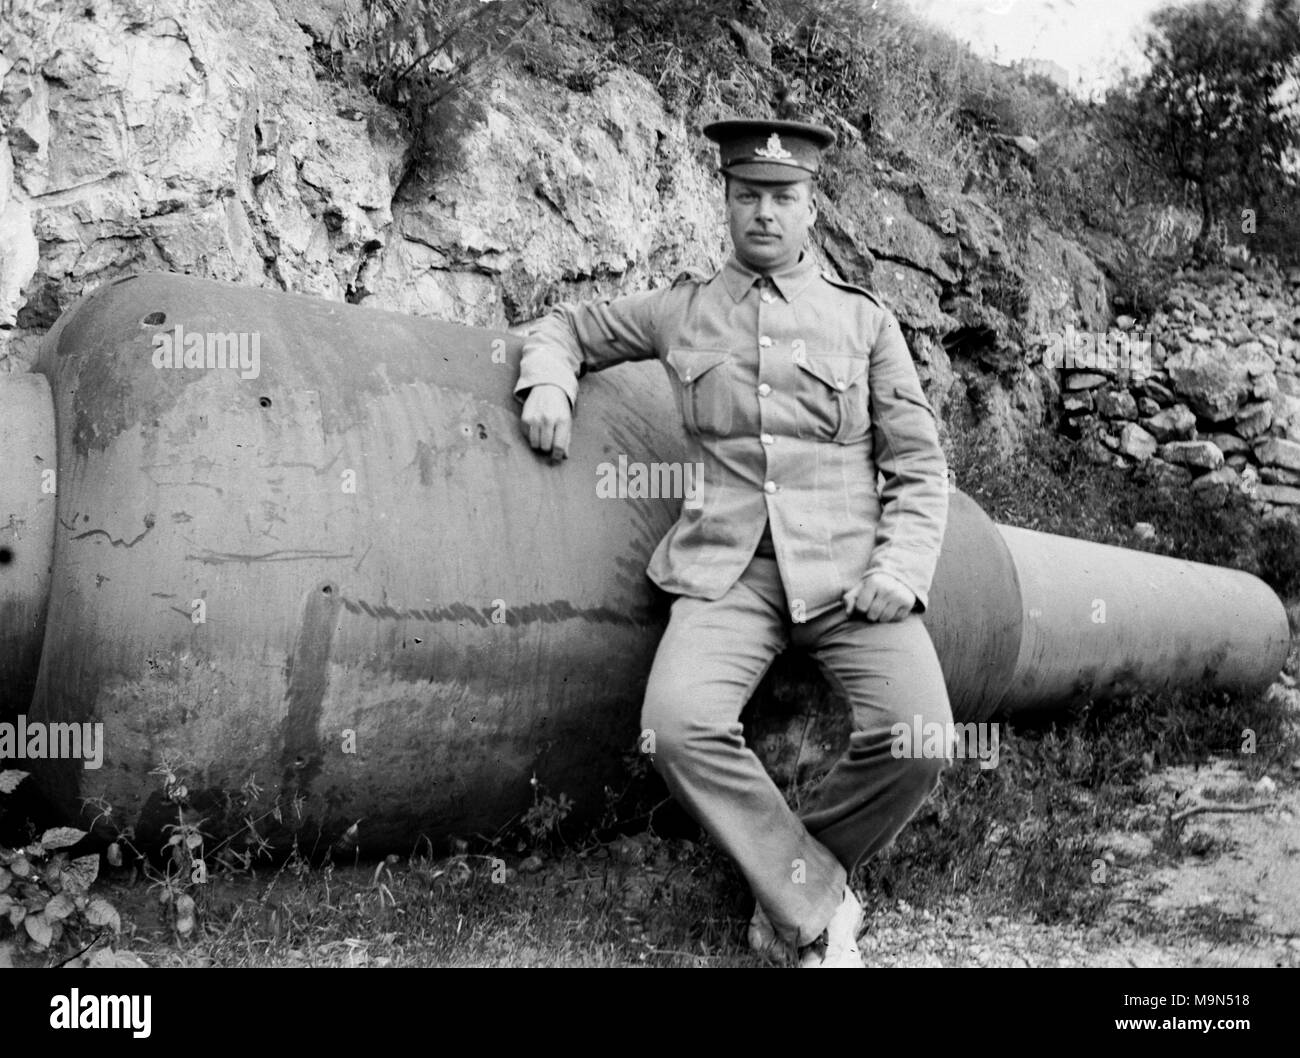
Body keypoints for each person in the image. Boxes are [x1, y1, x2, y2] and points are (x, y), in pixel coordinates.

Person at [514, 118, 953, 968]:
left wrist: (901, 566)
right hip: (727, 572)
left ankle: (789, 877)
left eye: (783, 197)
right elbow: (568, 325)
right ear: (724, 200)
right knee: (676, 727)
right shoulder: (681, 311)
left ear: (811, 209)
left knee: (922, 735)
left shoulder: (865, 324)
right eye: (748, 194)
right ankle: (816, 902)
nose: (764, 213)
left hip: (849, 573)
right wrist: (549, 381)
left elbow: (917, 464)